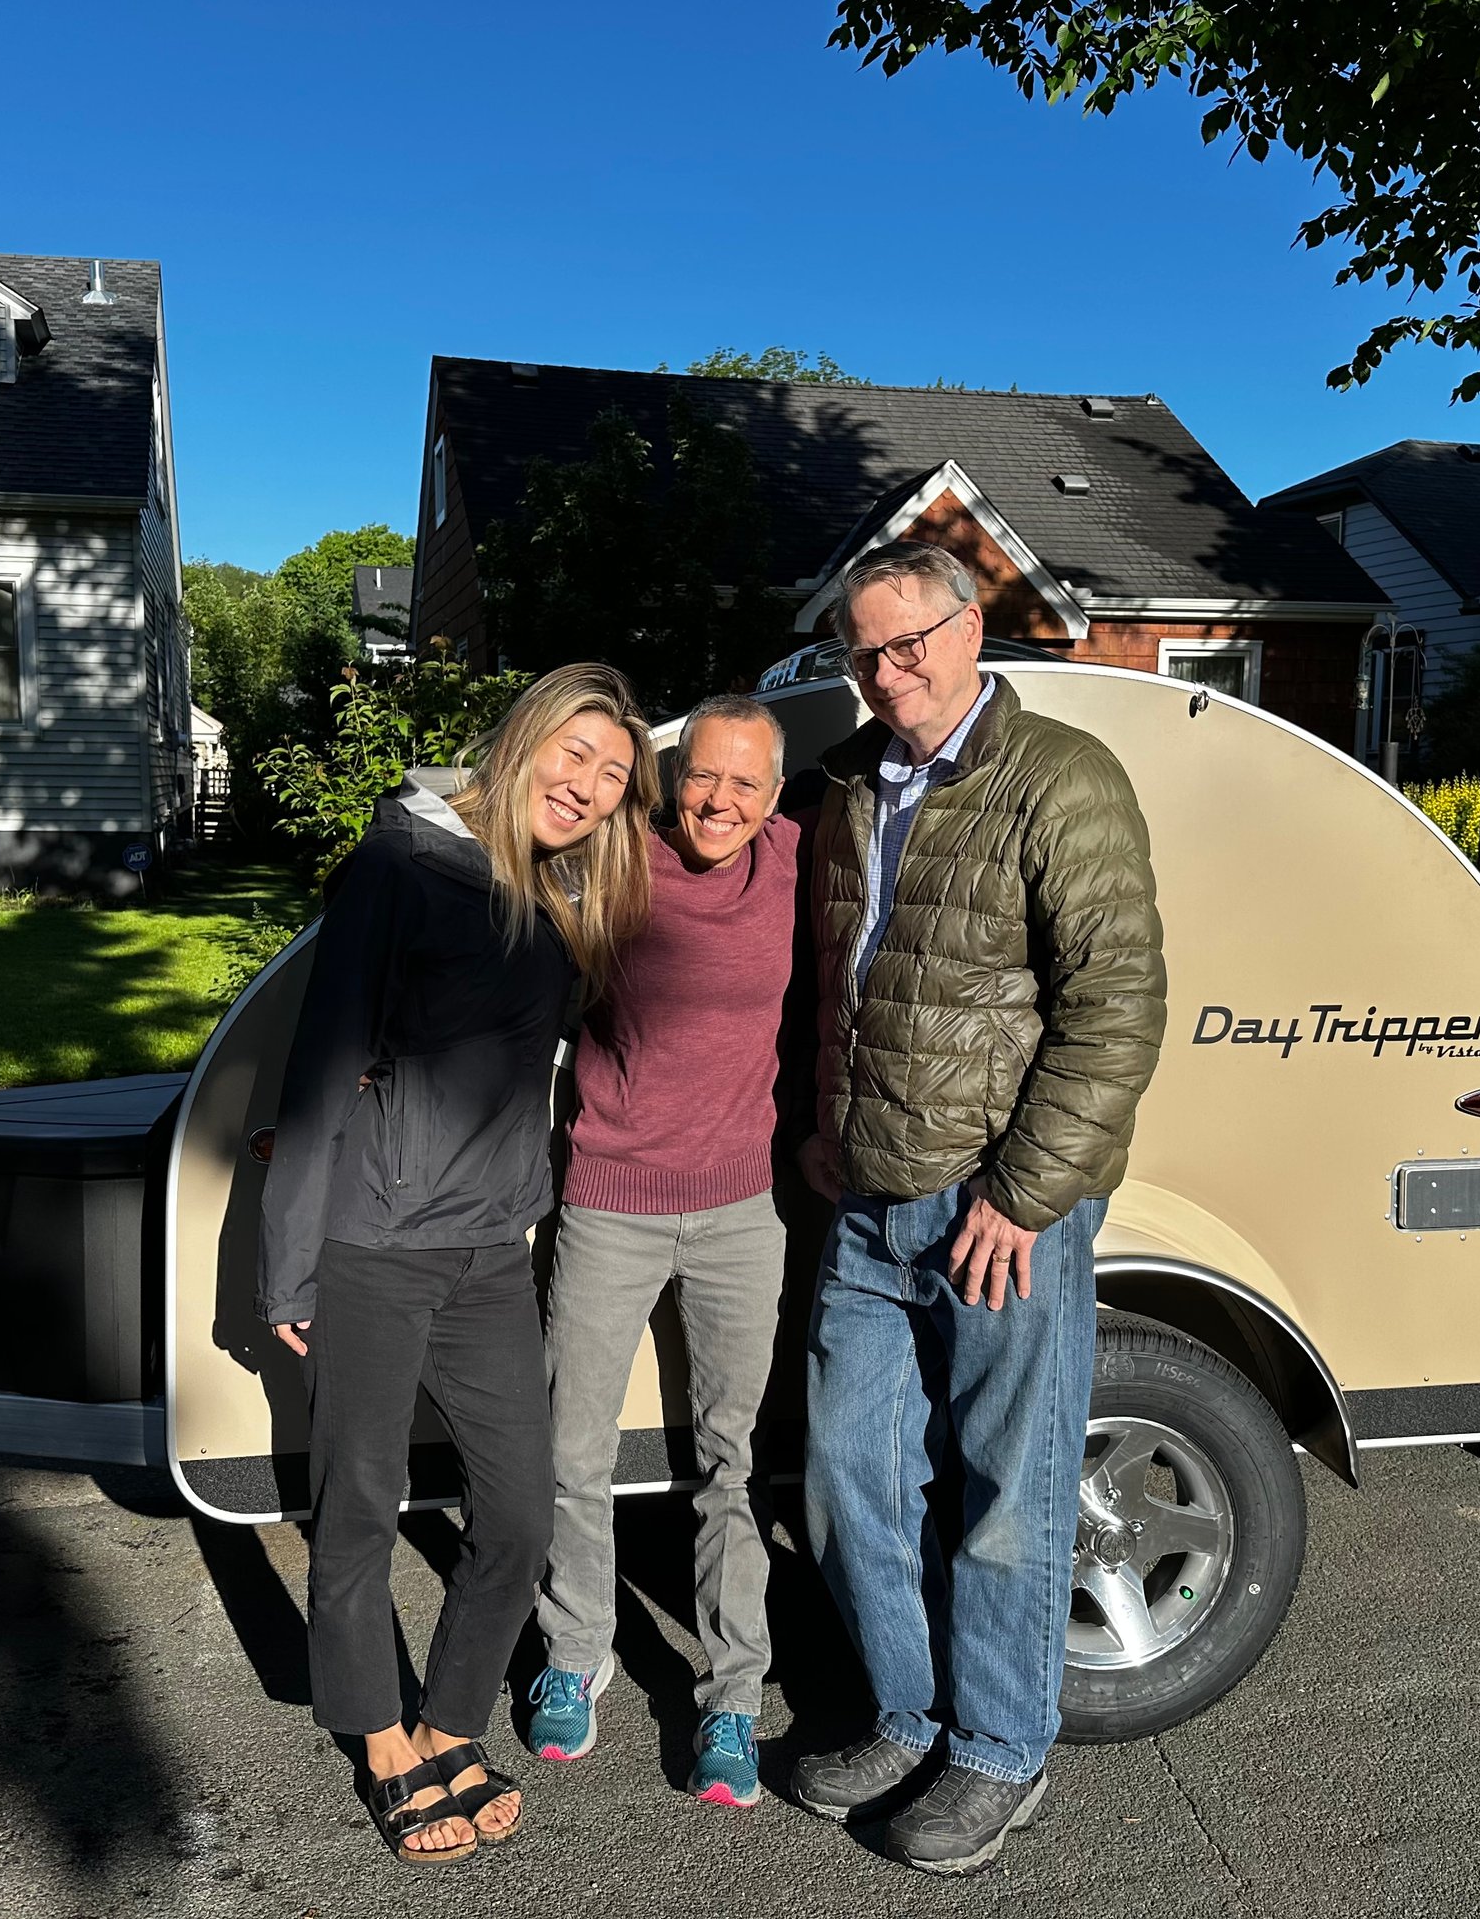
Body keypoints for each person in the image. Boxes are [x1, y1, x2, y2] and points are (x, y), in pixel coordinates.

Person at [787, 541, 1167, 1875]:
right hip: (866, 1205)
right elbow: (834, 992)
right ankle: (907, 1717)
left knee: (1009, 1491)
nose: (888, 675)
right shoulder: (843, 787)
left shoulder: (1060, 779)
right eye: (865, 652)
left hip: (999, 1211)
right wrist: (823, 1133)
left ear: (971, 627)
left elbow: (1114, 1010)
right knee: (847, 1474)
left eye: (910, 645)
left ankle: (1001, 1753)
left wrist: (1022, 1194)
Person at [255, 662, 660, 1866]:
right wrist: (288, 1265)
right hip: (374, 1244)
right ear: (524, 741)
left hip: (488, 1249)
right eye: (574, 757)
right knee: (360, 1508)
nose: (586, 789)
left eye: (612, 777)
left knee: (521, 1513)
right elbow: (324, 1062)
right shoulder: (399, 867)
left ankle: (449, 1719)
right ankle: (379, 1736)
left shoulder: (558, 889)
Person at [525, 693, 802, 1808]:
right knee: (571, 1449)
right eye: (704, 775)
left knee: (731, 1463)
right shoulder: (613, 862)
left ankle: (733, 1693)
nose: (721, 800)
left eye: (747, 782)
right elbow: (493, 855)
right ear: (671, 774)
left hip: (743, 1209)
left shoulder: (794, 858)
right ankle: (573, 1656)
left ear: (777, 797)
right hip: (610, 1198)